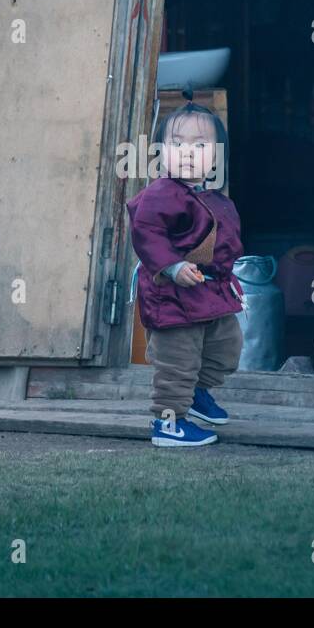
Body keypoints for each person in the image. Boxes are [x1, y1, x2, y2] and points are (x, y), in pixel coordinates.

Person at [126, 90, 244, 447]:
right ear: (162, 153)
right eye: (177, 144)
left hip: (210, 294)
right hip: (172, 296)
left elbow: (225, 245)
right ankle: (169, 422)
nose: (188, 152)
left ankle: (196, 393)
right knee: (178, 361)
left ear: (216, 156)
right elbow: (146, 232)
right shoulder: (161, 194)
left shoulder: (215, 198)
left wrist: (230, 281)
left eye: (200, 144)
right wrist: (173, 266)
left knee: (227, 346)